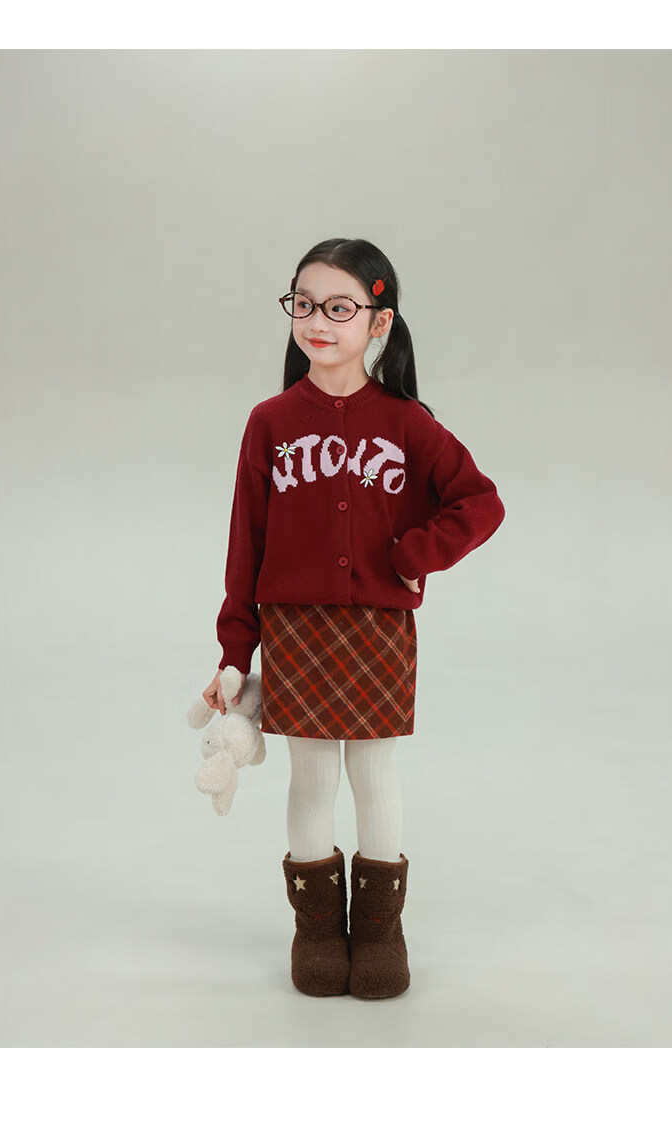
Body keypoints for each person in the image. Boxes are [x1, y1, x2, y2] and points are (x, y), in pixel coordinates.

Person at [200, 234, 505, 999]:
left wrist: (414, 553)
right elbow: (246, 542)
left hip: (378, 628)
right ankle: (315, 931)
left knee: (372, 773)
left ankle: (377, 931)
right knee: (310, 776)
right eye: (303, 304)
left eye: (339, 307)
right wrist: (235, 651)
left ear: (380, 322)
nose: (317, 321)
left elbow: (480, 502)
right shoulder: (270, 422)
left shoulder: (408, 423)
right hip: (295, 628)